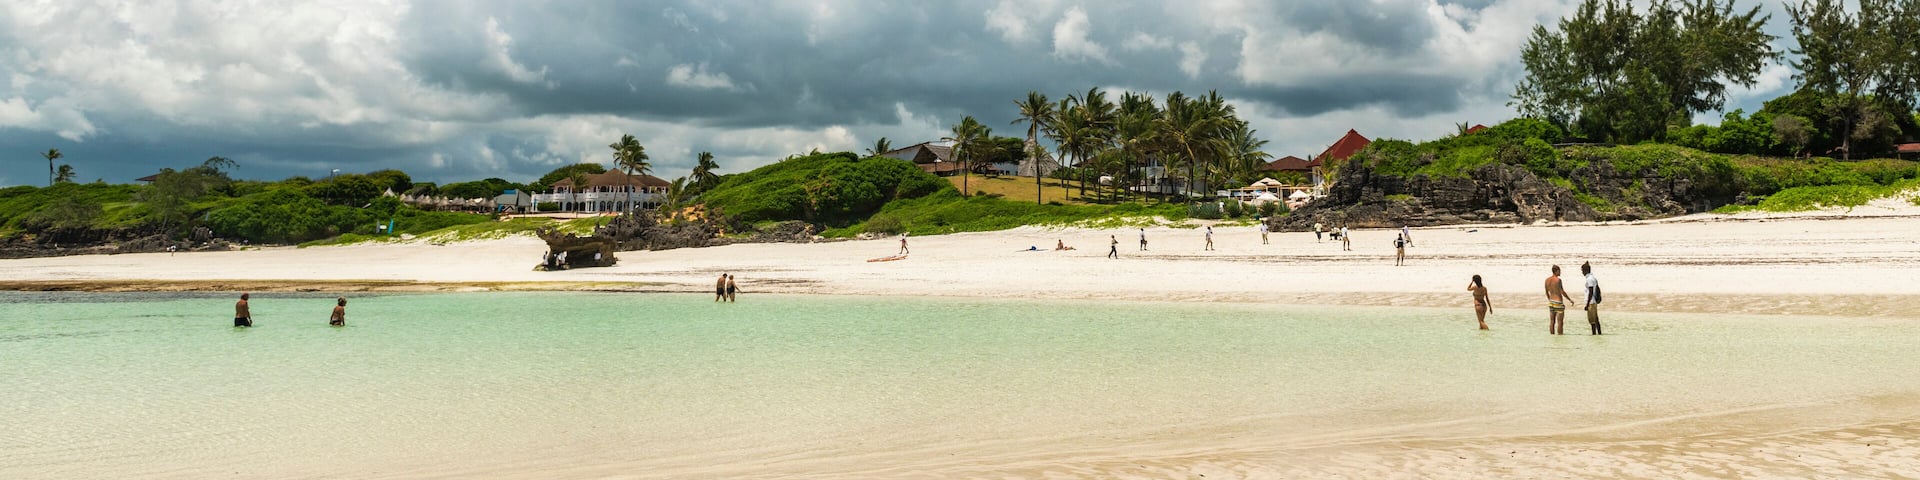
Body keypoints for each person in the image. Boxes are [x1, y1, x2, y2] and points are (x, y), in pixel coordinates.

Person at [1545, 265, 1568, 335]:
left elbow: (1546, 292)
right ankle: (1560, 337)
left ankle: (1552, 336)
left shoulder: (1547, 280)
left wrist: (1550, 299)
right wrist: (1569, 299)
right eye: (1559, 271)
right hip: (1558, 302)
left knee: (1552, 321)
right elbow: (1562, 292)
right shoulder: (1558, 280)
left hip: (1551, 302)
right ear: (1556, 271)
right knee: (1560, 322)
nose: (1560, 272)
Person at [1582, 261, 1602, 335]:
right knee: (1596, 319)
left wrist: (1587, 305)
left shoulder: (1589, 279)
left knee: (1592, 321)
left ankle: (1594, 334)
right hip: (1593, 302)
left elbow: (1590, 292)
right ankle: (1599, 334)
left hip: (1591, 302)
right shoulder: (1593, 278)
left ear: (1585, 270)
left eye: (1582, 270)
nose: (1582, 272)